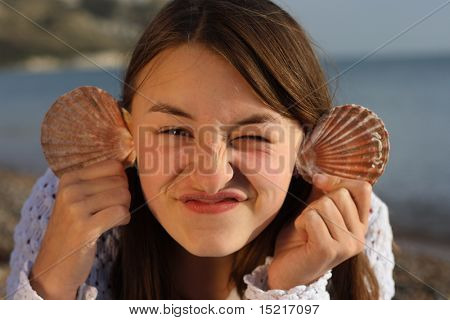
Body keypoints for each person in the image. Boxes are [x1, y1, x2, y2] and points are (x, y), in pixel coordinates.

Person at [6, 0, 395, 300]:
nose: (212, 175)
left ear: (309, 144)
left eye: (253, 136)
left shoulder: (357, 227)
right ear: (123, 134)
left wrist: (290, 291)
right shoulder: (67, 206)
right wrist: (50, 285)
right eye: (175, 130)